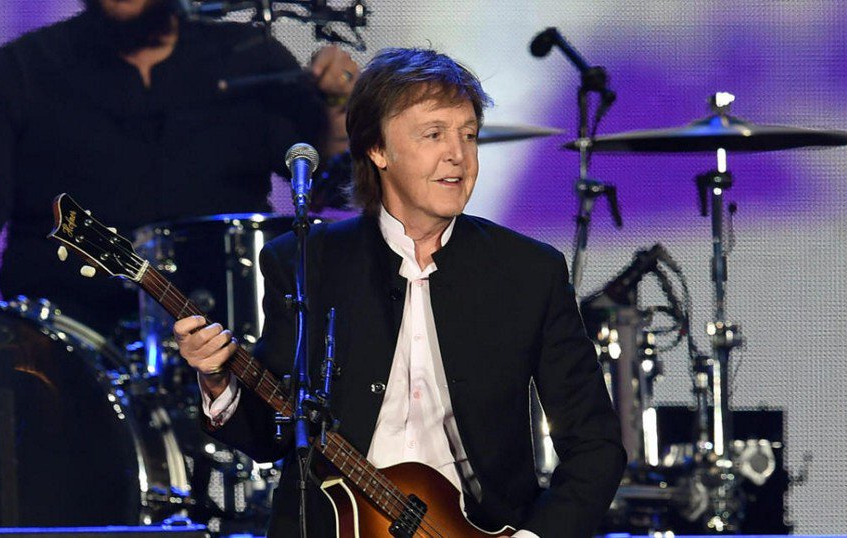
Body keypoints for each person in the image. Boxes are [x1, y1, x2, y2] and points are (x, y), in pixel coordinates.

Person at [175, 48, 626, 537]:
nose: (458, 155)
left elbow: (595, 446)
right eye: (434, 134)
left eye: (468, 135)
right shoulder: (305, 261)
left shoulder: (528, 271)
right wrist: (218, 384)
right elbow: (271, 437)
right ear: (378, 150)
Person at [0, 0, 358, 333]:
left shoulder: (248, 56)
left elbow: (333, 191)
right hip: (65, 344)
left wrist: (338, 106)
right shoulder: (24, 68)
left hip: (226, 336)